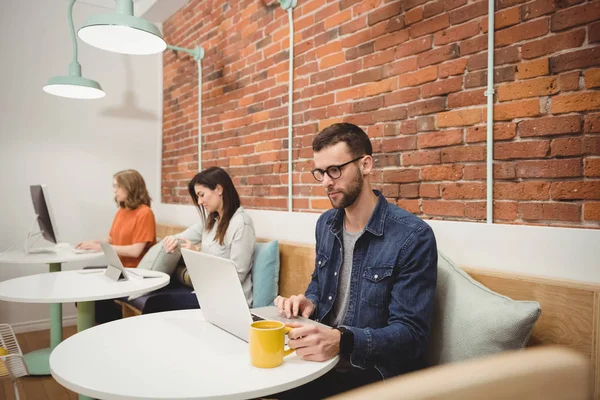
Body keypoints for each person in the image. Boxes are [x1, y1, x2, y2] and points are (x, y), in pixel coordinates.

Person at [273, 123, 438, 398]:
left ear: (366, 164)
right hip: (322, 362)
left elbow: (412, 336)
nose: (326, 182)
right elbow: (319, 281)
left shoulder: (413, 237)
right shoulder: (326, 224)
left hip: (372, 374)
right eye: (320, 173)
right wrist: (309, 301)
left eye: (335, 170)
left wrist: (342, 341)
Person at [162, 166, 256, 307]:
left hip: (229, 301)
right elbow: (181, 237)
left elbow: (236, 277)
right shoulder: (210, 222)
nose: (199, 202)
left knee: (158, 304)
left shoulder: (242, 224)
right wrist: (171, 240)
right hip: (207, 294)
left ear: (219, 189)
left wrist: (197, 255)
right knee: (158, 303)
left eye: (201, 195)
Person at [76, 169, 156, 323]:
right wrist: (95, 243)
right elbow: (111, 238)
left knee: (92, 297)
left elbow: (135, 251)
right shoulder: (122, 210)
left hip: (133, 274)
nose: (114, 191)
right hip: (118, 269)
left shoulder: (145, 213)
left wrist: (102, 247)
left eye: (117, 186)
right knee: (83, 285)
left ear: (130, 187)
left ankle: (116, 328)